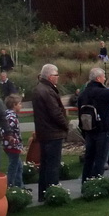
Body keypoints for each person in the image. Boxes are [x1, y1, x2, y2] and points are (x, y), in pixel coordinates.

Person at [30, 64, 69, 202]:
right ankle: (53, 194)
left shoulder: (39, 89)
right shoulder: (47, 91)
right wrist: (66, 125)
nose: (58, 78)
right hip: (53, 132)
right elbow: (55, 112)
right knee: (52, 166)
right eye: (57, 75)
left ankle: (43, 194)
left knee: (45, 166)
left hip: (44, 132)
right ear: (51, 76)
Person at [77, 67, 109, 182]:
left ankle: (86, 182)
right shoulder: (101, 92)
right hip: (102, 129)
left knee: (89, 158)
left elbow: (79, 112)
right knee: (101, 158)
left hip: (88, 129)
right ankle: (96, 183)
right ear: (98, 78)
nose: (105, 78)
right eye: (103, 76)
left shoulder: (83, 93)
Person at [2, 94, 24, 188]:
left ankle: (19, 185)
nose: (21, 106)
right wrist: (14, 141)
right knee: (14, 167)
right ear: (14, 105)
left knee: (19, 166)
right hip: (12, 146)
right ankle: (10, 185)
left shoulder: (7, 114)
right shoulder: (11, 117)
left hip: (10, 145)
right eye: (19, 104)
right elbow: (5, 131)